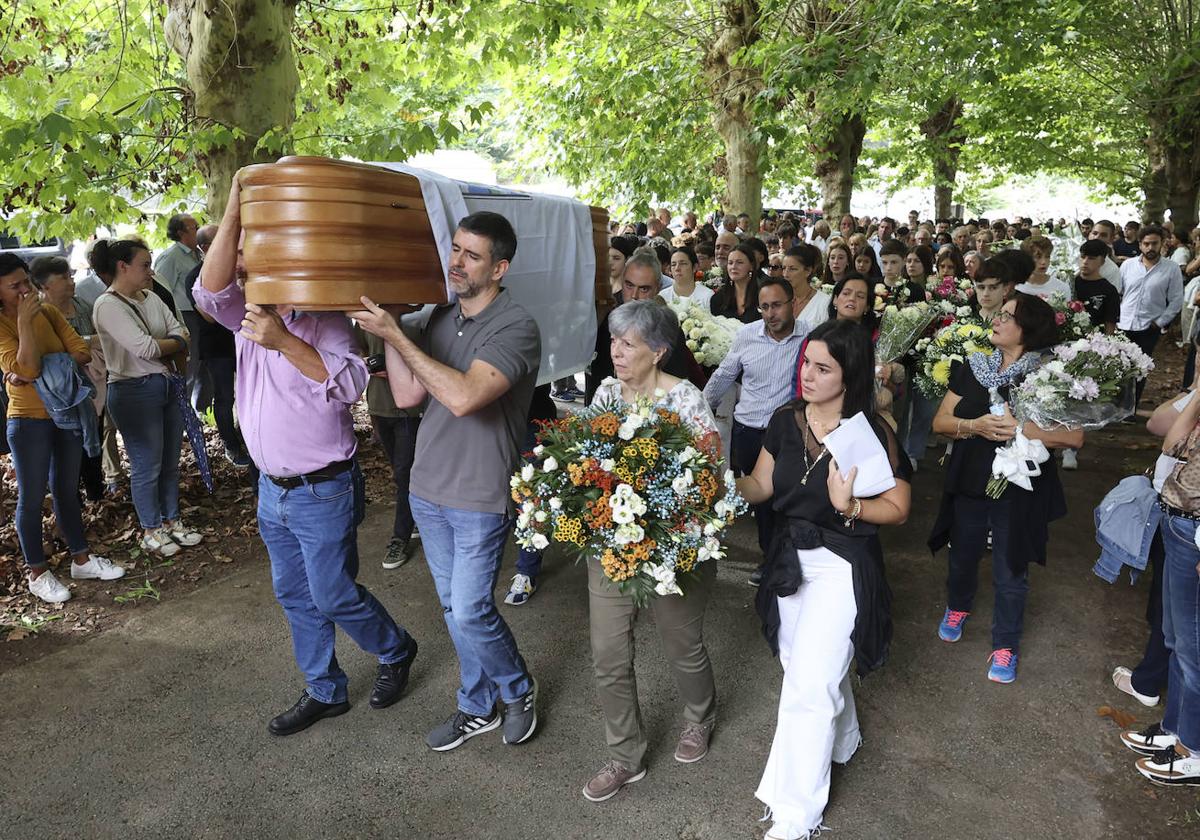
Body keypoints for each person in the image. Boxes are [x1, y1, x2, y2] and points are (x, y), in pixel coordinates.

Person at [196, 176, 418, 736]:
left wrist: (283, 341)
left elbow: (349, 386)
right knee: (294, 594)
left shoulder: (325, 320)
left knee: (333, 593)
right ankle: (326, 689)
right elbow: (208, 290)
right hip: (272, 489)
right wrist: (235, 206)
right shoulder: (245, 313)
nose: (244, 268)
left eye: (255, 256)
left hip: (324, 488)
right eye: (245, 258)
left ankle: (395, 649)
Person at [353, 210, 539, 752]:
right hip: (427, 488)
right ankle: (476, 706)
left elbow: (462, 397)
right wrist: (392, 324)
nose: (456, 262)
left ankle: (518, 688)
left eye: (472, 255)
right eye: (455, 249)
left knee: (474, 609)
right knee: (455, 609)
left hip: (479, 492)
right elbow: (410, 396)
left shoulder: (516, 326)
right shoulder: (437, 318)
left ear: (499, 267)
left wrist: (396, 333)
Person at [738, 318, 912, 840]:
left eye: (822, 368)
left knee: (808, 688)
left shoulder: (869, 431)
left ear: (849, 373)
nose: (807, 375)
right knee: (802, 667)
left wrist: (852, 504)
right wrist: (713, 480)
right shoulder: (785, 419)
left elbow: (900, 507)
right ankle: (844, 736)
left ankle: (796, 815)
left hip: (843, 563)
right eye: (805, 364)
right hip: (789, 560)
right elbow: (762, 486)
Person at [580, 300, 722, 803]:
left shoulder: (685, 401)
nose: (615, 352)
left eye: (628, 344)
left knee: (682, 647)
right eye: (614, 342)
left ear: (658, 352)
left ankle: (698, 719)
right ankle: (625, 756)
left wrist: (657, 509)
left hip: (670, 548)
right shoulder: (603, 395)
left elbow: (710, 476)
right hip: (612, 544)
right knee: (608, 654)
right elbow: (586, 464)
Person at [928, 293, 1083, 683]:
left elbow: (1074, 437)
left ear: (1027, 329)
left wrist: (1018, 428)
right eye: (999, 313)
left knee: (1011, 568)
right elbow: (941, 422)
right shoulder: (973, 366)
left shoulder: (1049, 376)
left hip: (1019, 486)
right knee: (962, 554)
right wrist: (974, 426)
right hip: (970, 477)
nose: (996, 319)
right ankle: (958, 605)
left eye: (1007, 315)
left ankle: (1005, 645)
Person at [0, 254, 124, 604]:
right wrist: (24, 326)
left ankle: (81, 560)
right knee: (32, 496)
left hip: (67, 412)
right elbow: (25, 366)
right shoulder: (5, 325)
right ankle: (37, 572)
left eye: (27, 281)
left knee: (67, 490)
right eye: (15, 286)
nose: (26, 290)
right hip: (27, 420)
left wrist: (40, 367)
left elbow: (82, 352)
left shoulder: (49, 312)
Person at [93, 240, 202, 558]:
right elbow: (146, 348)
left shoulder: (152, 296)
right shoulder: (108, 305)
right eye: (144, 264)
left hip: (166, 384)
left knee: (169, 462)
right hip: (133, 391)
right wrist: (174, 342)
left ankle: (171, 521)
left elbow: (183, 331)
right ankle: (151, 529)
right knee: (147, 464)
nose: (150, 270)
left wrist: (172, 340)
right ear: (122, 267)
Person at [1120, 382, 1200, 785]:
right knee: (1176, 639)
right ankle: (1174, 732)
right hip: (1179, 523)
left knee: (1195, 649)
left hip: (1196, 532)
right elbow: (1170, 447)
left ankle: (1194, 749)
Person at [704, 278, 809, 585]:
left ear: (793, 304)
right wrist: (696, 410)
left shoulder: (810, 338)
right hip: (749, 432)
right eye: (764, 307)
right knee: (761, 504)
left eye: (777, 305)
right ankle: (769, 558)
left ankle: (792, 559)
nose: (771, 313)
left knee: (788, 500)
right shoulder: (747, 335)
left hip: (788, 435)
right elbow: (724, 375)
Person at [29, 256, 105, 500]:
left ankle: (96, 492)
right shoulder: (39, 317)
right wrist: (84, 344)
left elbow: (99, 339)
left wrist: (82, 345)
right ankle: (70, 497)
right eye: (63, 277)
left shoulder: (82, 305)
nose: (71, 281)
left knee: (94, 434)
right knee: (66, 443)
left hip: (93, 383)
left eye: (71, 276)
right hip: (58, 392)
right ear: (44, 285)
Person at [182, 224, 250, 468]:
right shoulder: (195, 277)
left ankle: (251, 438)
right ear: (207, 248)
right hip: (217, 347)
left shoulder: (239, 266)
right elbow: (210, 315)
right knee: (224, 397)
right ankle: (231, 445)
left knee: (251, 392)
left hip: (246, 342)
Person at [361, 326, 423, 569]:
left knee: (404, 473)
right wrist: (368, 364)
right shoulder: (369, 315)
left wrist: (402, 368)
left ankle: (400, 538)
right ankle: (416, 515)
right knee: (401, 474)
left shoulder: (416, 314)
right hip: (378, 405)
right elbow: (358, 347)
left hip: (409, 410)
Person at [1119, 224, 1185, 405]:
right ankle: (1115, 407)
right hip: (1123, 324)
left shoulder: (1171, 269)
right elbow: (1119, 291)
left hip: (1148, 327)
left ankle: (1130, 408)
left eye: (1154, 243)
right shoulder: (1127, 265)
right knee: (1118, 366)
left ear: (1163, 244)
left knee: (1139, 369)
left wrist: (1160, 321)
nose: (1150, 248)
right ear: (1140, 245)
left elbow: (1176, 299)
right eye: (1146, 244)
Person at [153, 214, 208, 412]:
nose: (198, 230)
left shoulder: (198, 254)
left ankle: (198, 409)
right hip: (185, 315)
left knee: (202, 364)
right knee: (190, 363)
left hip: (202, 315)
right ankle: (182, 410)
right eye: (194, 228)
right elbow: (160, 290)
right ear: (181, 233)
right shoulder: (171, 257)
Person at [710, 242, 761, 323]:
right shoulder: (718, 298)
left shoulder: (762, 295)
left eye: (739, 262)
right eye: (730, 263)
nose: (733, 267)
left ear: (751, 266)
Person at [781, 245, 830, 329]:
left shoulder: (824, 302)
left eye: (792, 269)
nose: (785, 274)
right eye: (784, 268)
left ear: (808, 271)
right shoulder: (780, 300)